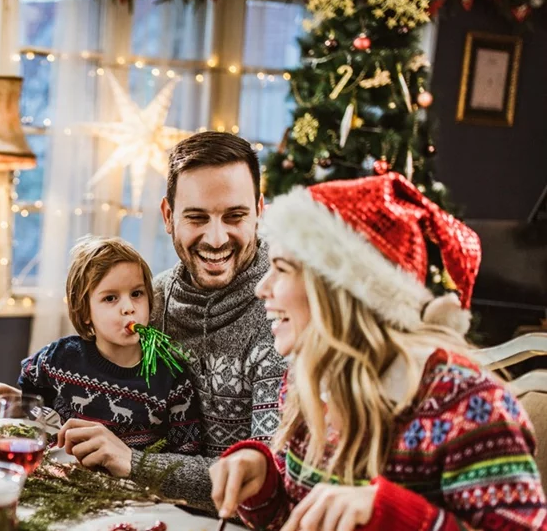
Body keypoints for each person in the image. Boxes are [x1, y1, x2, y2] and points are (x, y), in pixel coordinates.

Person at [209, 173, 547, 531]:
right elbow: (297, 514)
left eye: (281, 269)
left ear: (343, 292)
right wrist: (263, 479)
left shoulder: (469, 408)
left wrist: (391, 514)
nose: (262, 288)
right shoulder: (311, 378)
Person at [50, 132, 286, 512]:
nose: (215, 237)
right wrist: (23, 405)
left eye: (235, 216)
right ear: (167, 216)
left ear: (259, 211)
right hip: (143, 510)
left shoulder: (286, 315)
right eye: (196, 217)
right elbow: (86, 380)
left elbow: (269, 484)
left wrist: (135, 463)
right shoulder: (149, 303)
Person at [0, 236, 202, 455]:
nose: (129, 307)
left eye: (137, 293)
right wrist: (16, 401)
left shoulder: (171, 378)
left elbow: (185, 454)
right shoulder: (58, 359)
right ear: (85, 312)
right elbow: (41, 415)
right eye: (110, 298)